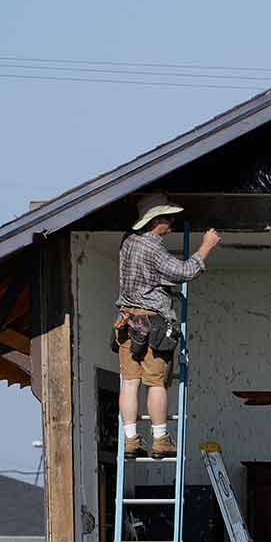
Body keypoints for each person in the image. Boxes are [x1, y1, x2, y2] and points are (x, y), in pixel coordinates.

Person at [115, 193, 221, 459]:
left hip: (127, 322)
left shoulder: (127, 241)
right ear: (154, 221)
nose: (172, 222)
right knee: (156, 384)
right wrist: (206, 246)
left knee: (129, 382)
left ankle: (130, 441)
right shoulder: (152, 247)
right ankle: (160, 440)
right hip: (153, 324)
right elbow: (185, 272)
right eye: (168, 218)